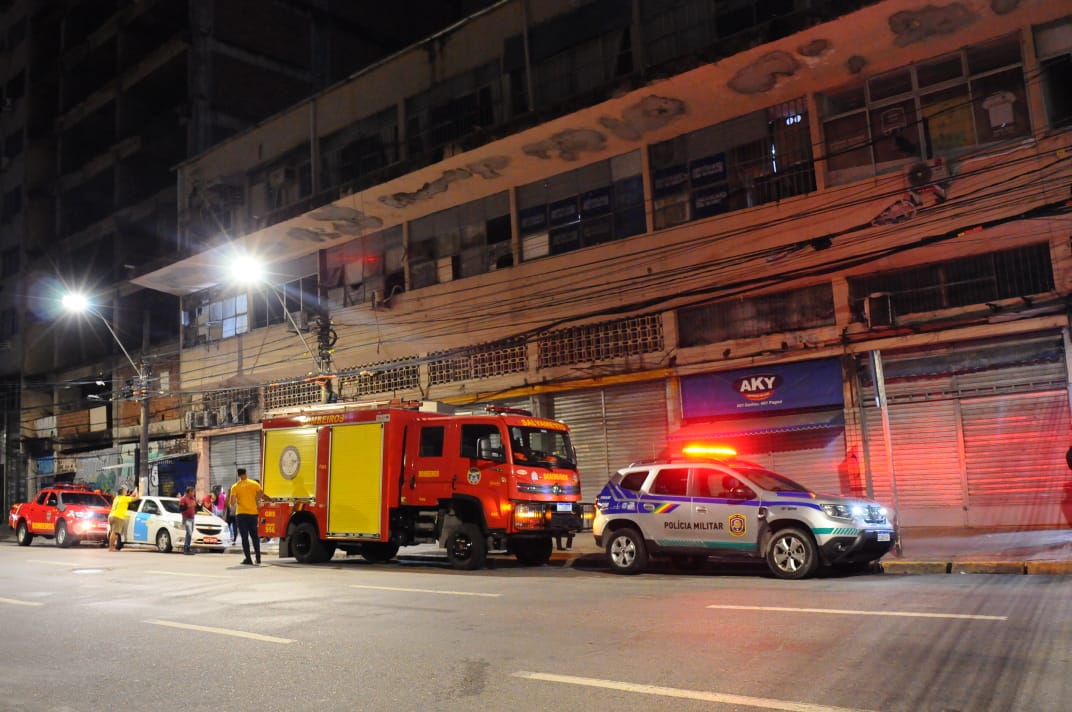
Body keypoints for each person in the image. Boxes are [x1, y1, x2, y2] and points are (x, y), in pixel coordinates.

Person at [229, 468, 269, 565]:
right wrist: (270, 500)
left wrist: (235, 498)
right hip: (253, 514)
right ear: (246, 473)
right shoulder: (254, 484)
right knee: (255, 536)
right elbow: (261, 495)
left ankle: (248, 559)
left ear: (238, 475)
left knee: (244, 537)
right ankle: (258, 558)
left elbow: (232, 502)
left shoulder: (235, 487)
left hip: (241, 514)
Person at [107, 486, 139, 551]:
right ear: (122, 492)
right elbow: (136, 498)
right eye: (125, 491)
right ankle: (111, 548)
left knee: (112, 532)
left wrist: (135, 491)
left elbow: (130, 496)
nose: (126, 492)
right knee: (114, 533)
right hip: (118, 517)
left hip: (111, 516)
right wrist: (139, 492)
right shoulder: (124, 499)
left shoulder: (117, 498)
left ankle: (111, 547)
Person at [179, 486, 198, 554]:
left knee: (189, 533)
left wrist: (199, 505)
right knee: (189, 532)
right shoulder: (183, 499)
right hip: (186, 518)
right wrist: (188, 506)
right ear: (189, 492)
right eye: (192, 492)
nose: (193, 493)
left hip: (192, 518)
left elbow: (196, 508)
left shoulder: (193, 498)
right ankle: (186, 548)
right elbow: (180, 509)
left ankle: (187, 548)